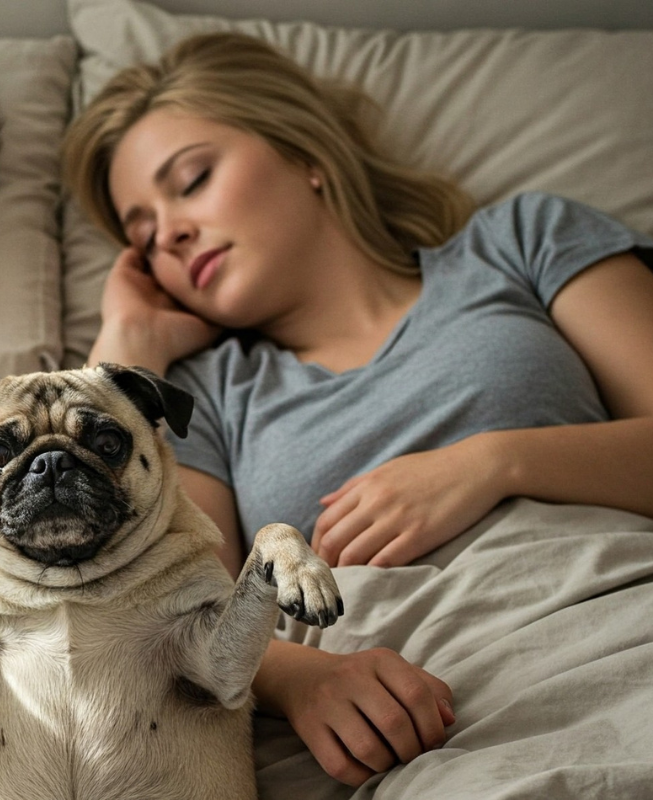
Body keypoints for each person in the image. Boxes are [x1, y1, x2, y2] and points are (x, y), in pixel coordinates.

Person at [62, 32, 653, 787]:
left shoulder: (522, 243)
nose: (169, 233)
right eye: (142, 235)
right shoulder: (202, 396)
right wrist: (129, 343)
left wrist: (495, 462)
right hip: (416, 715)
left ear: (305, 153)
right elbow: (168, 616)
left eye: (193, 180)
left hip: (618, 619)